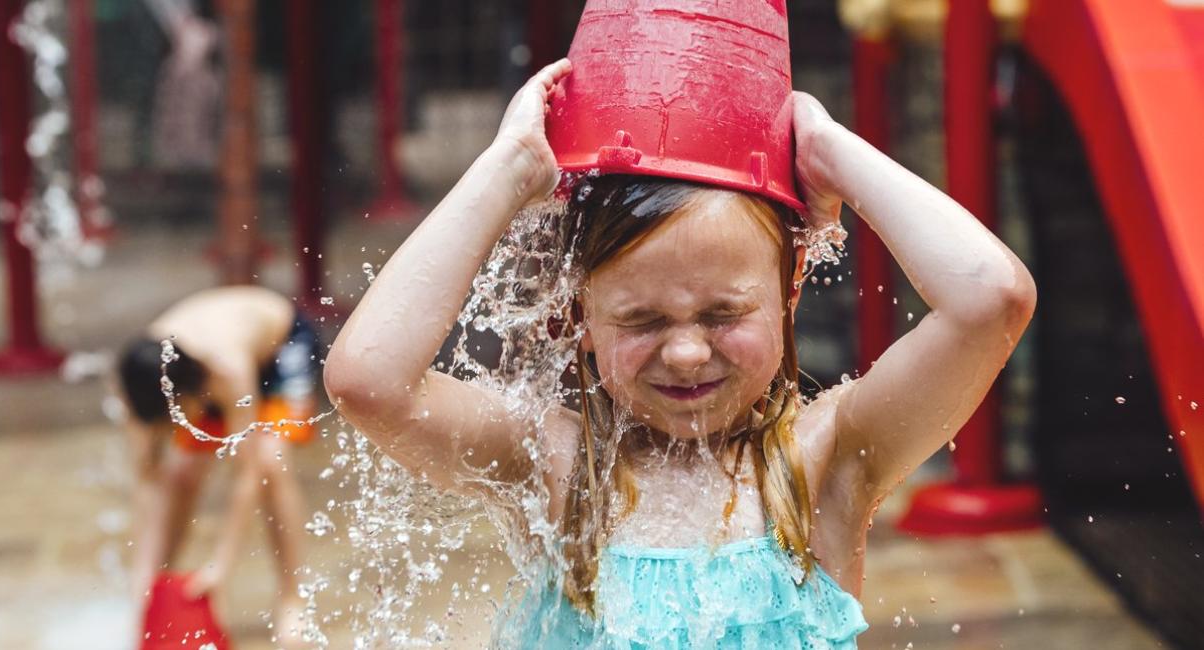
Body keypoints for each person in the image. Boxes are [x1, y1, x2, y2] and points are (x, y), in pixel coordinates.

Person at [323, 59, 1035, 647]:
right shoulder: (551, 463)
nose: (689, 352)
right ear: (581, 318)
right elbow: (368, 380)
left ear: (789, 295)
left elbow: (991, 301)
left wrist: (827, 152)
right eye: (642, 320)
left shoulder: (829, 456)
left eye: (724, 314)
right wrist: (506, 172)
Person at [118, 285, 319, 647]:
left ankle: (293, 596)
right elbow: (147, 478)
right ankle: (156, 584)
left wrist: (220, 565)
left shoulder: (228, 369)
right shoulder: (139, 381)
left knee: (271, 463)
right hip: (199, 372)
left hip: (281, 345)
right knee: (180, 473)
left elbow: (247, 475)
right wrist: (142, 571)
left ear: (188, 398)